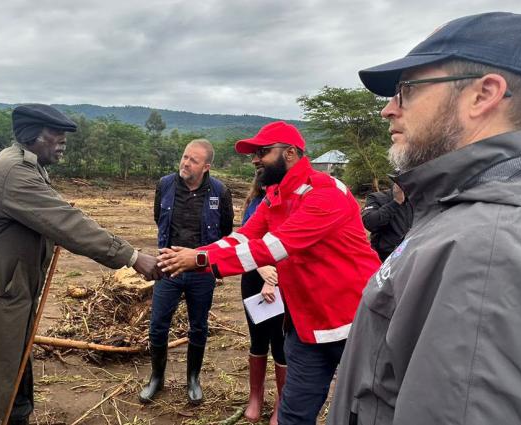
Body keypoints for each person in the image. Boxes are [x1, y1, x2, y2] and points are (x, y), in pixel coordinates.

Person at [328, 12, 521, 425]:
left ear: (484, 94)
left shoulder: (490, 253)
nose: (388, 110)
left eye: (406, 90)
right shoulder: (469, 216)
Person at [0, 104, 161, 425]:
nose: (63, 141)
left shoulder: (28, 166)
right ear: (34, 136)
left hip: (4, 299)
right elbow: (69, 225)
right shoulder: (14, 172)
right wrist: (134, 258)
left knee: (11, 381)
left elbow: (49, 218)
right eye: (57, 134)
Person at [157, 121, 380, 424]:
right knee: (293, 416)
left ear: (290, 153)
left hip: (351, 323)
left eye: (262, 151)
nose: (255, 159)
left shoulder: (325, 193)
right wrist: (201, 253)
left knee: (364, 412)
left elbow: (272, 248)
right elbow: (244, 236)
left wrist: (198, 261)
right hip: (306, 326)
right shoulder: (275, 195)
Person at [140, 139, 233, 405]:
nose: (185, 163)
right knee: (158, 325)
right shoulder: (165, 184)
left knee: (199, 327)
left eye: (193, 160)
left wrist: (202, 257)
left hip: (202, 271)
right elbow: (160, 218)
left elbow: (226, 231)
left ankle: (193, 378)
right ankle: (156, 377)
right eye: (184, 157)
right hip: (169, 267)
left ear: (206, 166)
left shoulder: (219, 191)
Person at [238, 170, 287, 424]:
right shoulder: (255, 204)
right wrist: (262, 271)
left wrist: (273, 277)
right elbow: (246, 241)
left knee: (280, 343)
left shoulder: (292, 203)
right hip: (254, 277)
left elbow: (294, 242)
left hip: (284, 280)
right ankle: (255, 397)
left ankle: (281, 403)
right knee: (257, 340)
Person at [361, 182, 412, 261]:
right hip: (385, 258)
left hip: (413, 256)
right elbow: (369, 222)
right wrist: (396, 202)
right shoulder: (377, 197)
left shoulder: (418, 199)